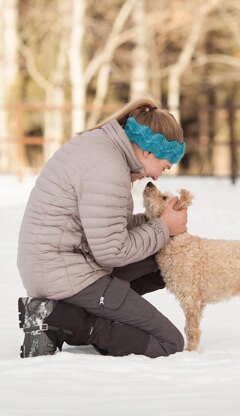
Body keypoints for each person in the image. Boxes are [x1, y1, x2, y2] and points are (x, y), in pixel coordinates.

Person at [17, 98, 188, 359]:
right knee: (168, 343)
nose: (157, 177)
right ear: (148, 151)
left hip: (58, 266)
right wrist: (163, 227)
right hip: (64, 275)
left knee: (164, 258)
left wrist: (156, 222)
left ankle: (57, 313)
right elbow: (112, 251)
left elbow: (102, 227)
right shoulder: (109, 168)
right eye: (164, 166)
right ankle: (64, 320)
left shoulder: (101, 148)